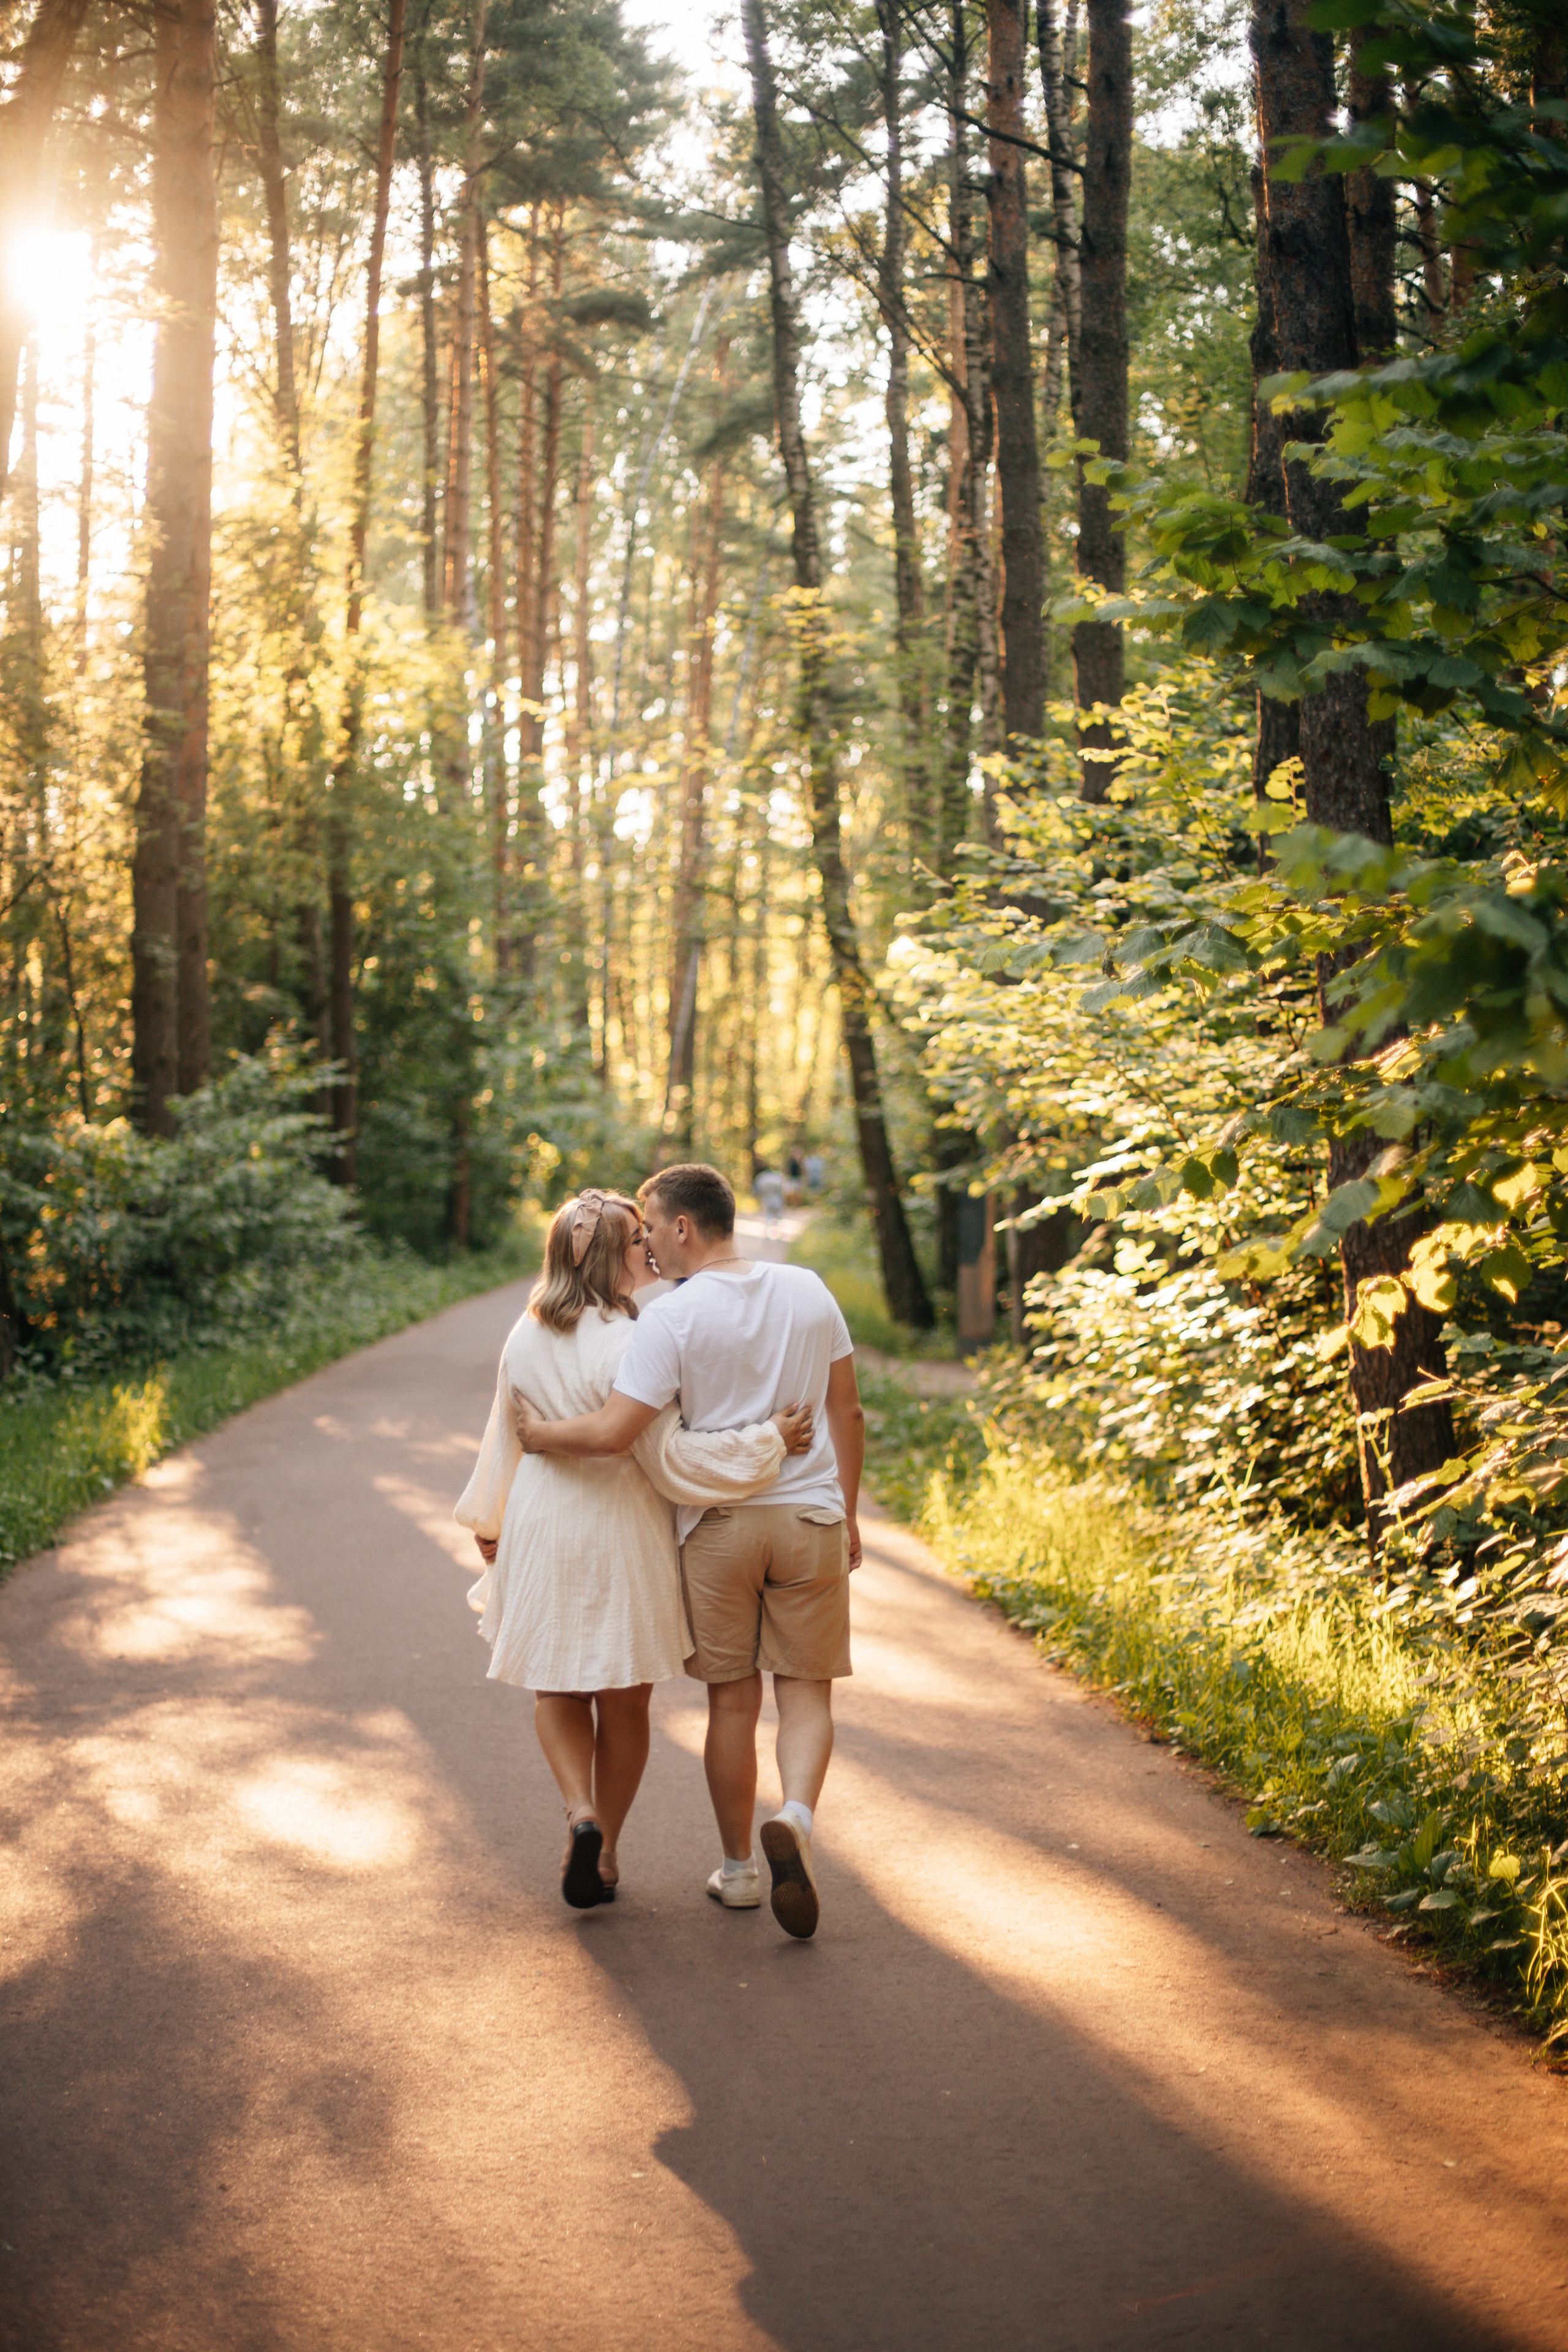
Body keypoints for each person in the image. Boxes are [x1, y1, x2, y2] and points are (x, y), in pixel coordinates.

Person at [514, 1163, 864, 1942]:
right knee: (806, 1690)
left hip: (718, 1529)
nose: (650, 1250)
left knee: (732, 1702)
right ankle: (798, 1819)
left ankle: (740, 1869)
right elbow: (848, 1409)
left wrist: (535, 1437)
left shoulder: (668, 1320)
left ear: (682, 1227)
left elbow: (614, 1432)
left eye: (653, 1229)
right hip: (808, 1516)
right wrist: (846, 1510)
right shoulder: (809, 1289)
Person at [454, 1187, 813, 1911]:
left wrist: (489, 1521)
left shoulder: (525, 1333)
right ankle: (606, 1849)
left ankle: (578, 1811)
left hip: (545, 1521)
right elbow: (672, 1459)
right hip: (620, 1528)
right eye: (635, 1243)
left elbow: (505, 1433)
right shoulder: (634, 1340)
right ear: (608, 1261)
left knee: (555, 1685)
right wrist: (767, 1442)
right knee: (623, 1703)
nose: (649, 1250)